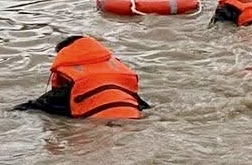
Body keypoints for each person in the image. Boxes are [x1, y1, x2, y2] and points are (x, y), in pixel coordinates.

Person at [14, 34, 150, 120]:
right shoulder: (122, 87)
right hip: (133, 124)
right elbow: (144, 108)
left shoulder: (68, 91)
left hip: (96, 129)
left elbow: (29, 108)